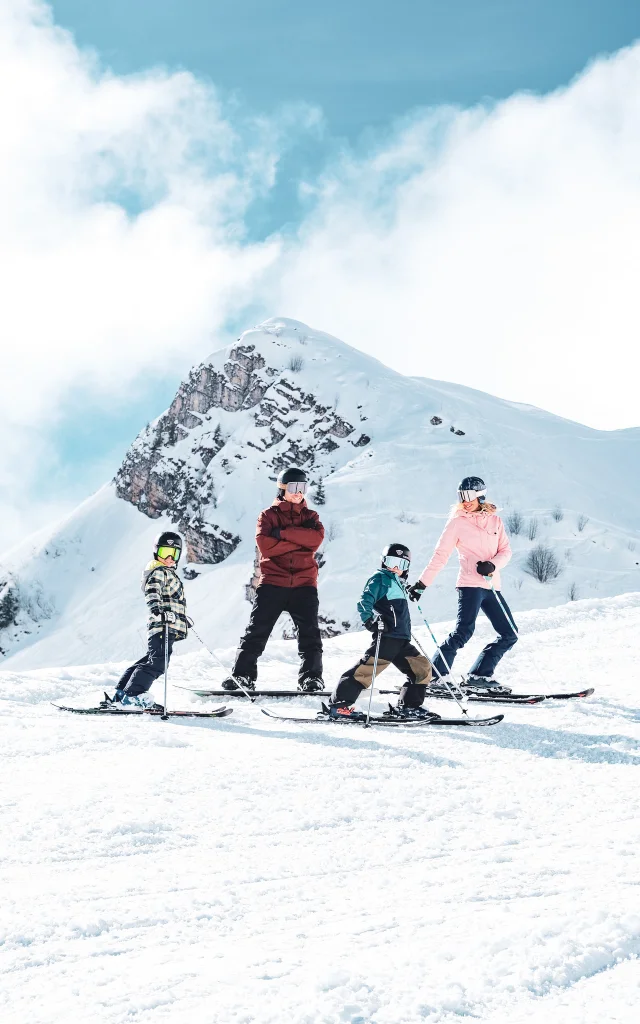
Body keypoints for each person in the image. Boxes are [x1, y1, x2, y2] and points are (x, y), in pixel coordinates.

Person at [408, 476, 517, 693]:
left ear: (480, 496)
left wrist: (492, 565)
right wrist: (422, 584)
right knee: (463, 631)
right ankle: (435, 676)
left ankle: (479, 675)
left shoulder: (495, 522)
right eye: (461, 496)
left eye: (468, 496)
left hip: (491, 586)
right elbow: (440, 555)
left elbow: (506, 551)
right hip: (469, 585)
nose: (465, 501)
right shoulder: (457, 523)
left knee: (509, 633)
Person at [223, 467, 325, 692]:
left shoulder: (311, 517)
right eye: (293, 487)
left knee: (309, 633)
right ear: (282, 489)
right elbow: (265, 546)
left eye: (303, 487)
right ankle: (243, 676)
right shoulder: (268, 515)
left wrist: (282, 534)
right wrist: (300, 541)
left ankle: (311, 678)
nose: (299, 492)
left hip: (304, 584)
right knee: (257, 631)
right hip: (273, 582)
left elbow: (316, 539)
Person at [328, 544, 437, 720]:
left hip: (401, 640)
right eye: (391, 562)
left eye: (401, 565)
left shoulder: (399, 584)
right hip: (387, 638)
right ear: (383, 562)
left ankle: (409, 706)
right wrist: (370, 620)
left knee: (422, 668)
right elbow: (365, 601)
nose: (395, 568)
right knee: (364, 671)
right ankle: (340, 705)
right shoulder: (380, 578)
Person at [109, 531, 189, 708]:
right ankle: (133, 695)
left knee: (150, 660)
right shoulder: (159, 572)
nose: (168, 557)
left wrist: (182, 619)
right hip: (162, 626)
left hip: (166, 626)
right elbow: (153, 591)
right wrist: (157, 611)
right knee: (157, 663)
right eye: (164, 552)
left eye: (173, 553)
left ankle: (122, 694)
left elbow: (171, 601)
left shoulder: (168, 573)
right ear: (156, 552)